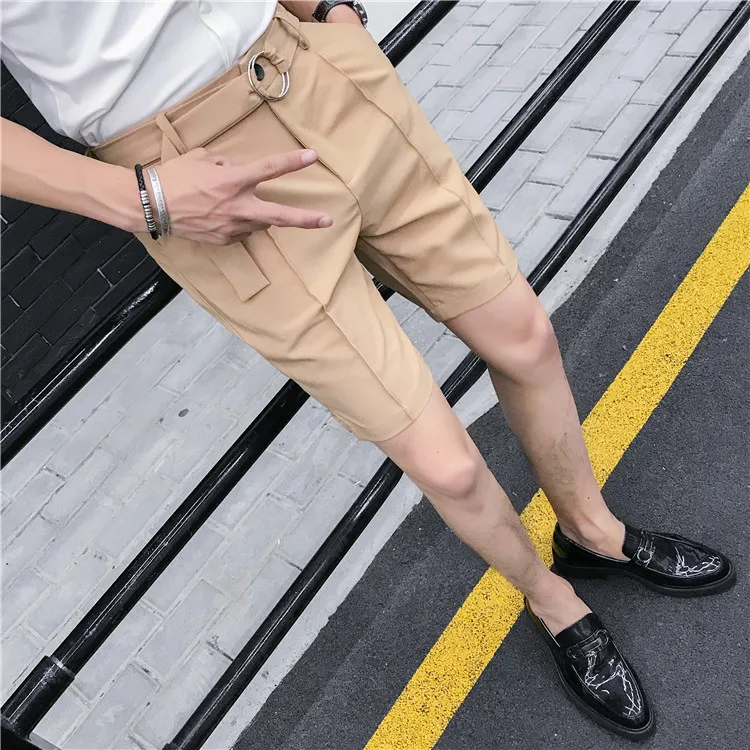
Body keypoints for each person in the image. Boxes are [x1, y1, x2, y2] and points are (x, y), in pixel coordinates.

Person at [0, 1, 735, 740]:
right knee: (444, 464)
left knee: (526, 337)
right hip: (187, 167)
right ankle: (551, 601)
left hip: (312, 69)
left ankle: (592, 531)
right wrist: (141, 198)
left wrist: (328, 13)